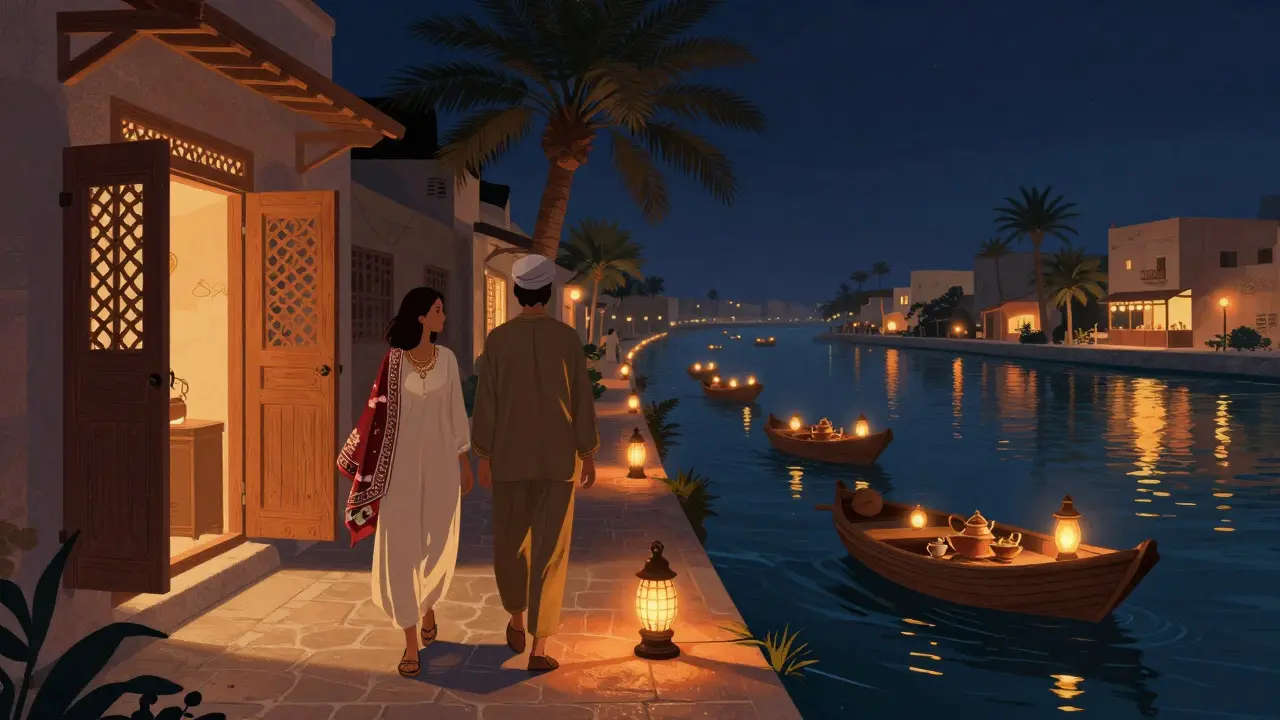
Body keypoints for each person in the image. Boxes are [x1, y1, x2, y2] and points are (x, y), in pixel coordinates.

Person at [336, 287, 474, 679]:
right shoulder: (394, 361)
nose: (443, 316)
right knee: (400, 548)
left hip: (442, 465)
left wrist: (463, 459)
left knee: (438, 542)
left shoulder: (447, 359)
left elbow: (456, 410)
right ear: (421, 316)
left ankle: (428, 603)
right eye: (437, 310)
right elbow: (375, 414)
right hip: (398, 468)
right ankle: (410, 639)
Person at [472, 254, 599, 673]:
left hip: (509, 457)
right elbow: (581, 400)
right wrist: (587, 452)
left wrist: (484, 455)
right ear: (548, 292)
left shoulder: (498, 340)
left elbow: (486, 403)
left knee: (510, 543)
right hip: (557, 459)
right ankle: (539, 647)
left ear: (515, 292)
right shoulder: (566, 339)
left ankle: (515, 618)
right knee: (550, 550)